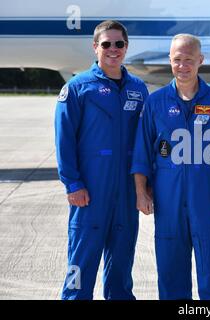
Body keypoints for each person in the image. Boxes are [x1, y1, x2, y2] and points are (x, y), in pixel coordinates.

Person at [131, 34, 210, 300]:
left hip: (207, 201)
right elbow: (141, 152)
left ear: (200, 61)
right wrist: (140, 192)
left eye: (189, 60)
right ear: (170, 61)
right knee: (171, 274)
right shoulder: (155, 102)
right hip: (168, 203)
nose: (183, 66)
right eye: (177, 60)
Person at [54, 20, 148, 300]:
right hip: (90, 193)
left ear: (126, 48)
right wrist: (72, 184)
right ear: (95, 47)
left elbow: (145, 141)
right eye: (106, 44)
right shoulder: (77, 88)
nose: (113, 49)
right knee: (80, 265)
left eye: (119, 44)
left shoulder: (138, 89)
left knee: (121, 269)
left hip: (126, 195)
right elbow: (64, 140)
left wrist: (146, 186)